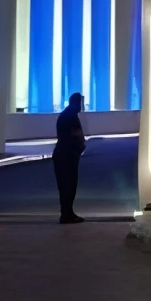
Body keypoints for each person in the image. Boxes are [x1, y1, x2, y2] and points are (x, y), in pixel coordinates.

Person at [54, 92, 87, 224]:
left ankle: (67, 212)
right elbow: (75, 134)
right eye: (81, 102)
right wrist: (80, 145)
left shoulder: (66, 114)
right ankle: (67, 214)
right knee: (69, 184)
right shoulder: (70, 116)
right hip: (67, 154)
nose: (82, 106)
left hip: (64, 153)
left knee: (65, 185)